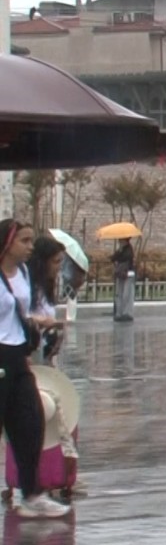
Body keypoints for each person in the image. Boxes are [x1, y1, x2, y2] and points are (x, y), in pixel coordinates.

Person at [0, 220, 70, 518]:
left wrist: (39, 322)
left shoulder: (24, 273)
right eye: (24, 241)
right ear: (7, 243)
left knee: (31, 421)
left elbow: (22, 311)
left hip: (18, 354)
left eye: (31, 241)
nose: (30, 247)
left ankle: (31, 492)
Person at [26, 236, 67, 364]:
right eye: (56, 261)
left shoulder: (45, 287)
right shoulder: (26, 287)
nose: (59, 267)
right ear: (43, 262)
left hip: (45, 351)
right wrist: (42, 321)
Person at [110, 238, 135, 323]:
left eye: (121, 240)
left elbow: (127, 257)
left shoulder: (129, 249)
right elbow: (113, 258)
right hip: (120, 273)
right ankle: (119, 313)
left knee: (126, 294)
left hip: (128, 274)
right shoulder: (120, 249)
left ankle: (127, 313)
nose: (120, 242)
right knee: (119, 293)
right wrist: (119, 252)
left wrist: (119, 254)